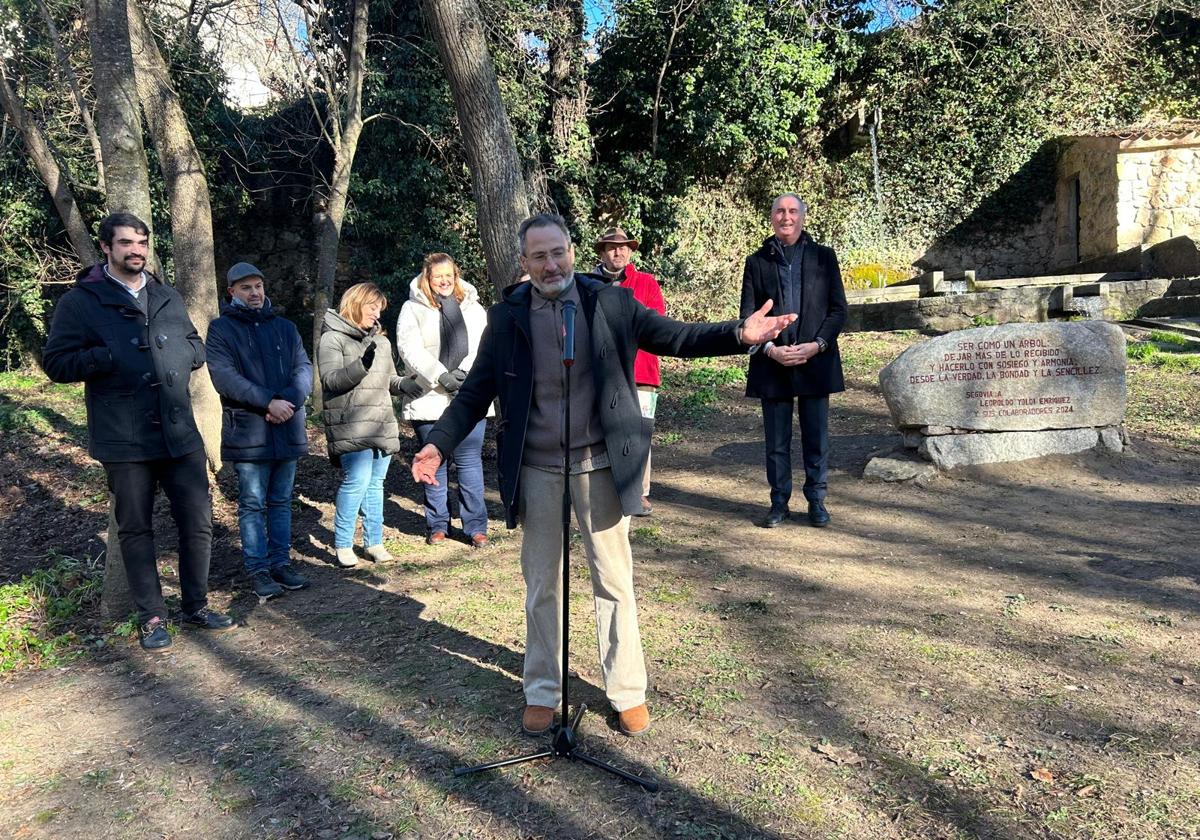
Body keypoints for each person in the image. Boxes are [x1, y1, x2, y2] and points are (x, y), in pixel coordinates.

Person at [412, 213, 796, 738]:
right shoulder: (507, 317)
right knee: (540, 584)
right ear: (523, 263)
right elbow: (477, 391)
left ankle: (626, 691)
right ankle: (542, 690)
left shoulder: (608, 302)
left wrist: (738, 333)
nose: (551, 264)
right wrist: (437, 444)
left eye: (558, 252)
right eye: (539, 256)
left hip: (601, 464)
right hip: (538, 467)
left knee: (614, 581)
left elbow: (673, 336)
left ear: (572, 252)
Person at [42, 212, 234, 651]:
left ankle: (196, 605)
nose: (137, 251)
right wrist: (105, 358)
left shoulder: (167, 295)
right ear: (106, 248)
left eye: (143, 243)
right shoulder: (81, 302)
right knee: (135, 528)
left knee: (198, 523)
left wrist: (187, 356)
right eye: (127, 243)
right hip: (124, 440)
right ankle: (151, 616)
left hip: (180, 434)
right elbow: (56, 363)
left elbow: (194, 343)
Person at [739, 194, 847, 529]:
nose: (786, 217)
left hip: (815, 360)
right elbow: (748, 317)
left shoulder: (824, 257)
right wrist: (771, 349)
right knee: (776, 441)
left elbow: (838, 310)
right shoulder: (757, 262)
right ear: (771, 217)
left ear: (803, 216)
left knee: (816, 437)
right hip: (774, 362)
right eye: (780, 211)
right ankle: (779, 503)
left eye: (793, 211)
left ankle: (816, 501)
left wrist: (817, 345)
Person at [206, 262, 313, 599]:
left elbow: (304, 368)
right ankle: (259, 569)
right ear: (232, 292)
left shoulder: (284, 327)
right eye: (245, 288)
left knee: (281, 500)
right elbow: (225, 377)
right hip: (249, 431)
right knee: (253, 503)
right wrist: (268, 402)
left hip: (288, 426)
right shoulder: (221, 330)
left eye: (257, 286)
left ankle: (281, 563)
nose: (254, 293)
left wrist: (289, 401)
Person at [318, 282, 419, 568]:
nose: (376, 314)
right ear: (355, 304)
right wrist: (360, 365)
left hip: (381, 425)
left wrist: (413, 384)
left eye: (379, 309)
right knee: (357, 482)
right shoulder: (332, 339)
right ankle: (342, 544)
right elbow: (331, 381)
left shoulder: (382, 343)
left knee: (376, 485)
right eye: (372, 307)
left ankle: (373, 542)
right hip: (351, 426)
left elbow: (390, 382)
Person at [396, 253, 493, 547]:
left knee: (469, 463)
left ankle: (475, 526)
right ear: (427, 278)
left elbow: (485, 343)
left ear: (456, 274)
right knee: (434, 465)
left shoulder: (474, 308)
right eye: (438, 275)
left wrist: (466, 372)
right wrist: (440, 375)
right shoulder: (412, 309)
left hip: (469, 394)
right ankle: (438, 524)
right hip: (430, 398)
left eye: (448, 274)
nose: (444, 280)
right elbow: (408, 347)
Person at [594, 227, 665, 516]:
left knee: (640, 433)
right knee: (602, 432)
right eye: (611, 247)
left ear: (631, 251)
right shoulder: (588, 284)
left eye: (623, 247)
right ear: (601, 252)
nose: (618, 252)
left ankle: (640, 492)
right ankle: (607, 490)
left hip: (642, 373)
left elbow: (658, 324)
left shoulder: (647, 283)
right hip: (602, 373)